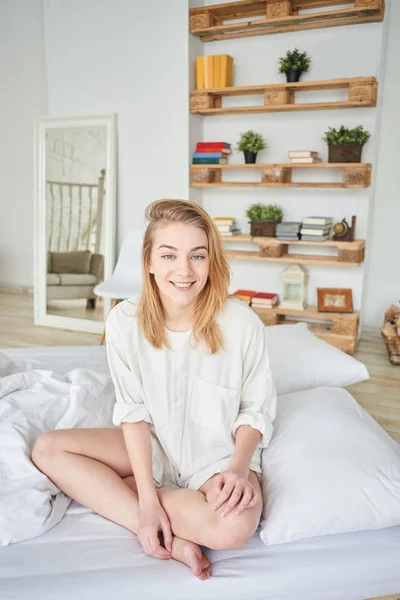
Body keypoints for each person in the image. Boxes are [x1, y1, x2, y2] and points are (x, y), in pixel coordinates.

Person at [31, 199, 276, 581]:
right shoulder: (123, 322)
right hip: (153, 446)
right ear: (148, 262)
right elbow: (133, 412)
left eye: (197, 256)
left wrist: (240, 470)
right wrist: (146, 498)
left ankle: (110, 491)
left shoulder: (242, 323)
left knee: (232, 529)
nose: (183, 270)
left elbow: (256, 410)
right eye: (169, 255)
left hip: (218, 458)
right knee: (48, 448)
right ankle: (157, 529)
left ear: (211, 262)